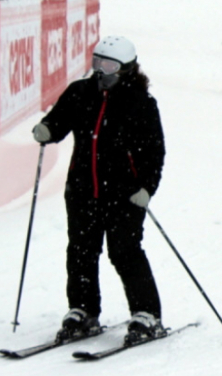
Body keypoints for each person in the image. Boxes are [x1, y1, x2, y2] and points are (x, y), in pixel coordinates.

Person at [31, 36, 166, 344]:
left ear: (126, 69)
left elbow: (153, 152)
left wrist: (146, 188)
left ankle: (147, 314)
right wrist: (48, 129)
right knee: (80, 250)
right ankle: (83, 311)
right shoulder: (81, 93)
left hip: (124, 196)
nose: (100, 71)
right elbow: (59, 119)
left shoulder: (140, 103)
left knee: (125, 252)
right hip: (82, 190)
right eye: (96, 62)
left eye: (107, 65)